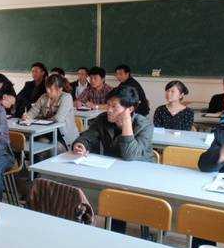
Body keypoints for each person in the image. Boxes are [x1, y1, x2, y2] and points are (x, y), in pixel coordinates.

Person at [73, 85, 153, 234]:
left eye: (114, 106)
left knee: (118, 199)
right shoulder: (103, 119)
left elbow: (130, 156)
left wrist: (127, 123)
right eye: (108, 105)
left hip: (139, 178)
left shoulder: (145, 125)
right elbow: (88, 136)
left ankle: (117, 233)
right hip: (113, 173)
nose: (109, 110)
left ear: (129, 109)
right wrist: (81, 144)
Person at [193, 112, 224, 248]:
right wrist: (221, 155)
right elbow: (204, 165)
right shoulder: (222, 133)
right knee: (202, 214)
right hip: (220, 195)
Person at [21, 74, 79, 151]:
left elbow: (58, 119)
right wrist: (27, 116)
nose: (48, 91)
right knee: (39, 146)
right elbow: (33, 111)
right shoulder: (44, 97)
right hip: (47, 133)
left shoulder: (66, 97)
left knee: (51, 149)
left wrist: (39, 119)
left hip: (63, 136)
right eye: (47, 88)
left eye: (51, 89)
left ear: (60, 89)